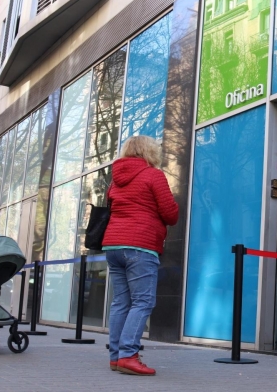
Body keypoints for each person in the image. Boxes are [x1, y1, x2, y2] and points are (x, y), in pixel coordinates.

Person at [103, 136, 179, 376]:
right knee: (143, 301)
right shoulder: (153, 175)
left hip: (113, 245)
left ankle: (116, 357)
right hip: (140, 245)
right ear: (150, 152)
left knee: (121, 302)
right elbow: (170, 214)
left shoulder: (116, 180)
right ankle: (128, 355)